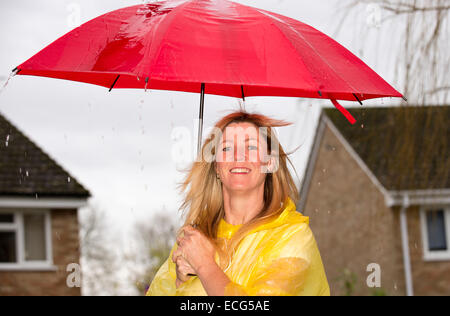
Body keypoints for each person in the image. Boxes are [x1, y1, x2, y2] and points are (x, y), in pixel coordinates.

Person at [146, 110, 330, 296]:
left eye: (251, 147)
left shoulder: (294, 237)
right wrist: (180, 281)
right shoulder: (194, 241)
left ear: (270, 163)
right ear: (217, 166)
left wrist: (204, 265)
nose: (238, 156)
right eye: (226, 148)